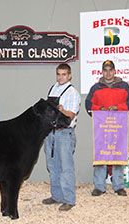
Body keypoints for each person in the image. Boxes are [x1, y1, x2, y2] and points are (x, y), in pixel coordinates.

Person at [85, 60, 129, 197]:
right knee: (101, 154)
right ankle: (99, 186)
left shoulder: (124, 86)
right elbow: (89, 104)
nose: (108, 73)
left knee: (118, 154)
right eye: (105, 70)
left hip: (118, 126)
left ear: (114, 71)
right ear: (102, 72)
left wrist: (117, 108)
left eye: (110, 70)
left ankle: (119, 186)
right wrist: (99, 109)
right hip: (102, 126)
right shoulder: (96, 88)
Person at [42, 63, 81, 211]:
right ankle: (56, 196)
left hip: (64, 132)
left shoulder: (72, 93)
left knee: (66, 167)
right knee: (52, 166)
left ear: (69, 75)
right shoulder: (54, 88)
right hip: (51, 131)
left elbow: (70, 115)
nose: (60, 77)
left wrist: (61, 110)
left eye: (64, 74)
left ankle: (69, 199)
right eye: (58, 74)